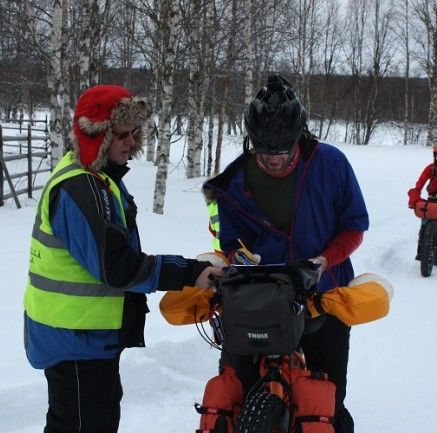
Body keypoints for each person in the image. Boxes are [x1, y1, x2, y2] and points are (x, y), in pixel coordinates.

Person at [23, 84, 223, 433]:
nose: (130, 142)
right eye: (121, 134)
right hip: (74, 339)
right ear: (97, 136)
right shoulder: (80, 187)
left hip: (85, 337)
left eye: (135, 133)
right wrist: (189, 272)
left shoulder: (100, 179)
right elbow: (117, 267)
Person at [202, 74, 369, 433]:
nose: (274, 159)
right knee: (240, 392)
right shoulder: (235, 181)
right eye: (264, 151)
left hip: (323, 296)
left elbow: (354, 226)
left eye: (282, 150)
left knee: (328, 400)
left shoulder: (331, 164)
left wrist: (325, 261)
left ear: (299, 137)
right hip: (259, 298)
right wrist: (240, 260)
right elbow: (230, 242)